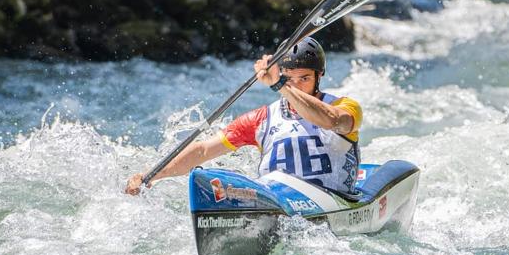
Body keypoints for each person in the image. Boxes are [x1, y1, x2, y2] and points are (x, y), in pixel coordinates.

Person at [125, 37, 362, 196]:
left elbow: (331, 120)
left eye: (305, 79)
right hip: (279, 203)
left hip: (332, 200)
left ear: (319, 75)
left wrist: (280, 84)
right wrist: (151, 175)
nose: (297, 86)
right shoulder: (262, 119)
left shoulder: (345, 107)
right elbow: (204, 150)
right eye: (291, 78)